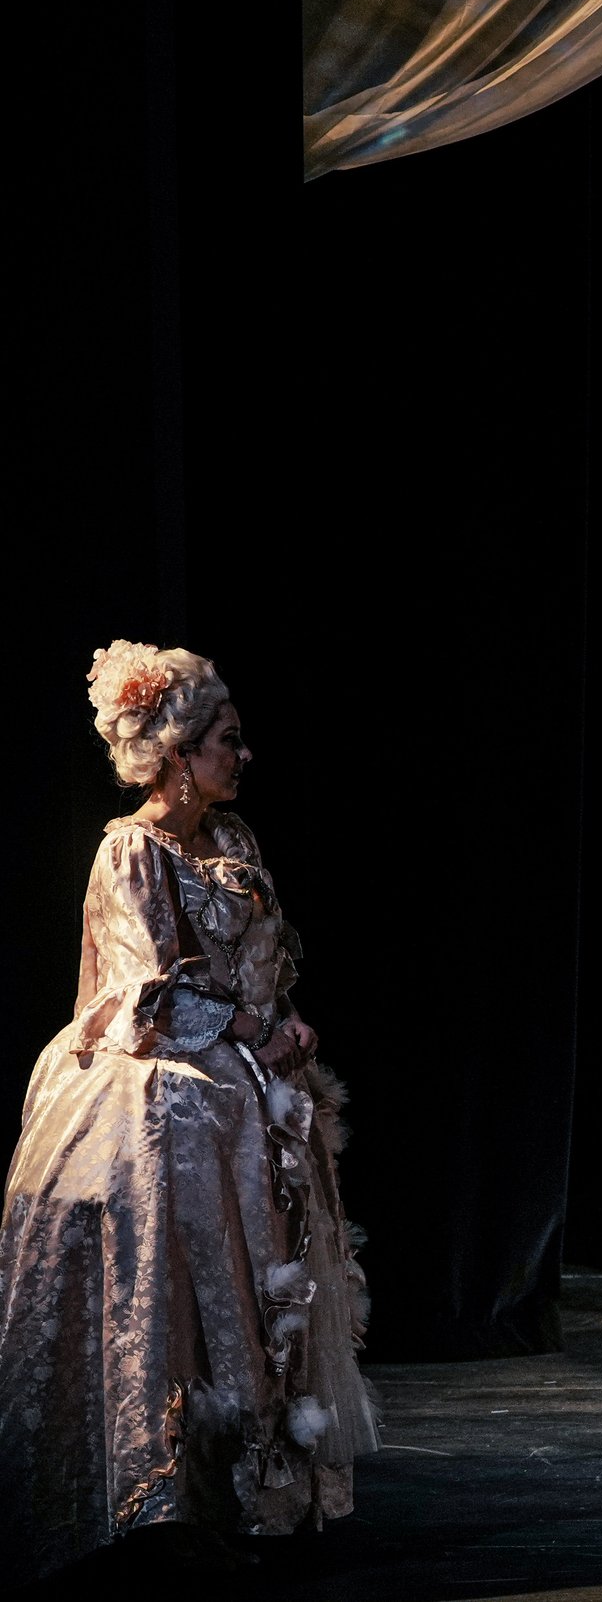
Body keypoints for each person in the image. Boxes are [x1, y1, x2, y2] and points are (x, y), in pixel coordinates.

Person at [0, 642, 375, 1576]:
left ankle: (258, 1494)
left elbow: (266, 961)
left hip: (245, 1072)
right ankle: (164, 1492)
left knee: (252, 1145)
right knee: (178, 1131)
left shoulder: (238, 844)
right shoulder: (129, 850)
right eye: (226, 742)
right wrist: (250, 1026)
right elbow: (143, 996)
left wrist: (284, 1021)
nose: (242, 758)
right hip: (159, 1073)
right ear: (175, 751)